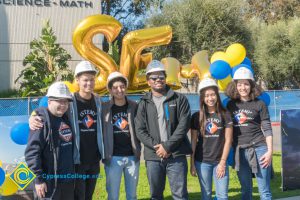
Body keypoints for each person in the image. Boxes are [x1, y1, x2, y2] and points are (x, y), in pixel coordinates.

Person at [29, 61, 105, 200]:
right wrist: (34, 115)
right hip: (77, 159)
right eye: (85, 80)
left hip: (94, 159)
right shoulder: (70, 100)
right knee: (79, 195)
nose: (89, 83)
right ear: (77, 80)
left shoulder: (98, 101)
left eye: (91, 80)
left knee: (89, 195)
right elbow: (47, 107)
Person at [135, 60, 192, 200]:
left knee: (180, 195)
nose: (158, 80)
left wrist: (167, 146)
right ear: (148, 81)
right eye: (154, 78)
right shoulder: (143, 103)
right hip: (154, 157)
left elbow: (183, 126)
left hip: (176, 155)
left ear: (165, 78)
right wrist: (158, 148)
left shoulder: (179, 99)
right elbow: (140, 130)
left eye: (161, 77)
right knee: (155, 195)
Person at [226, 67, 273, 200]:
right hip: (239, 151)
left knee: (265, 192)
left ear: (251, 86)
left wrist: (269, 152)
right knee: (246, 191)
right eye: (239, 84)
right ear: (235, 86)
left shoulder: (260, 104)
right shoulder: (231, 105)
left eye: (246, 84)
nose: (243, 87)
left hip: (260, 149)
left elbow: (267, 128)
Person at [25, 82, 74, 200]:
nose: (63, 105)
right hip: (49, 185)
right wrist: (39, 180)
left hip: (66, 182)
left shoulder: (65, 118)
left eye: (66, 101)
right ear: (49, 101)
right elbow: (32, 153)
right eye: (59, 101)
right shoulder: (40, 122)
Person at [190, 78, 233, 200]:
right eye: (207, 95)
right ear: (202, 98)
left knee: (222, 196)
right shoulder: (196, 117)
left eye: (213, 94)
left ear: (217, 95)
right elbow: (193, 142)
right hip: (202, 162)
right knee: (206, 194)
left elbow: (228, 140)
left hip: (220, 161)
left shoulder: (225, 114)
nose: (210, 98)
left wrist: (223, 162)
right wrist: (192, 164)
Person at [102, 72, 141, 200]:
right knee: (113, 195)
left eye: (122, 86)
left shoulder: (134, 106)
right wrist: (37, 115)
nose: (119, 90)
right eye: (115, 87)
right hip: (113, 158)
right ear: (110, 90)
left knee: (132, 195)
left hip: (132, 157)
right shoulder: (104, 108)